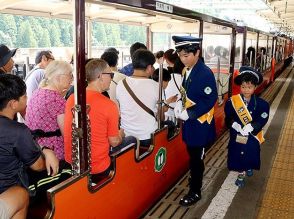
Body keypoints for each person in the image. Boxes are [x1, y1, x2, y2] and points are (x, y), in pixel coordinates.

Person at [64, 59, 136, 179]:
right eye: (110, 75)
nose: (112, 79)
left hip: (73, 163)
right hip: (98, 168)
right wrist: (121, 134)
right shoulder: (109, 105)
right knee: (132, 139)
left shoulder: (72, 98)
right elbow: (114, 141)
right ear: (101, 76)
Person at [0, 74, 59, 219]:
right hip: (10, 189)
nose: (27, 99)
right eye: (24, 96)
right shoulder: (18, 131)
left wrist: (44, 149)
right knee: (64, 172)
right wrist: (49, 154)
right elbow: (38, 165)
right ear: (13, 103)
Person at [173, 36, 218, 206]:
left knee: (197, 159)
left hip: (199, 126)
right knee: (193, 156)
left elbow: (209, 99)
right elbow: (185, 91)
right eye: (180, 55)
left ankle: (195, 191)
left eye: (186, 55)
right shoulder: (188, 70)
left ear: (197, 52)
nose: (183, 59)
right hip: (192, 125)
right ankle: (194, 179)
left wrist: (190, 114)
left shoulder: (205, 73)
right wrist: (179, 102)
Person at [224, 66, 269, 187]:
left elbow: (263, 118)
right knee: (238, 154)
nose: (246, 90)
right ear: (240, 87)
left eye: (249, 87)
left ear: (255, 87)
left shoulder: (262, 104)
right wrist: (234, 124)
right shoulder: (232, 102)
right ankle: (241, 173)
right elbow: (228, 118)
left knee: (251, 153)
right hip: (237, 134)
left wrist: (253, 126)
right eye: (243, 87)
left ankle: (248, 166)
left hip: (252, 135)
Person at [26, 61, 73, 161]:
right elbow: (66, 133)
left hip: (35, 146)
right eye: (70, 75)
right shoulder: (57, 100)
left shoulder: (37, 92)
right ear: (58, 78)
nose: (71, 79)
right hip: (54, 152)